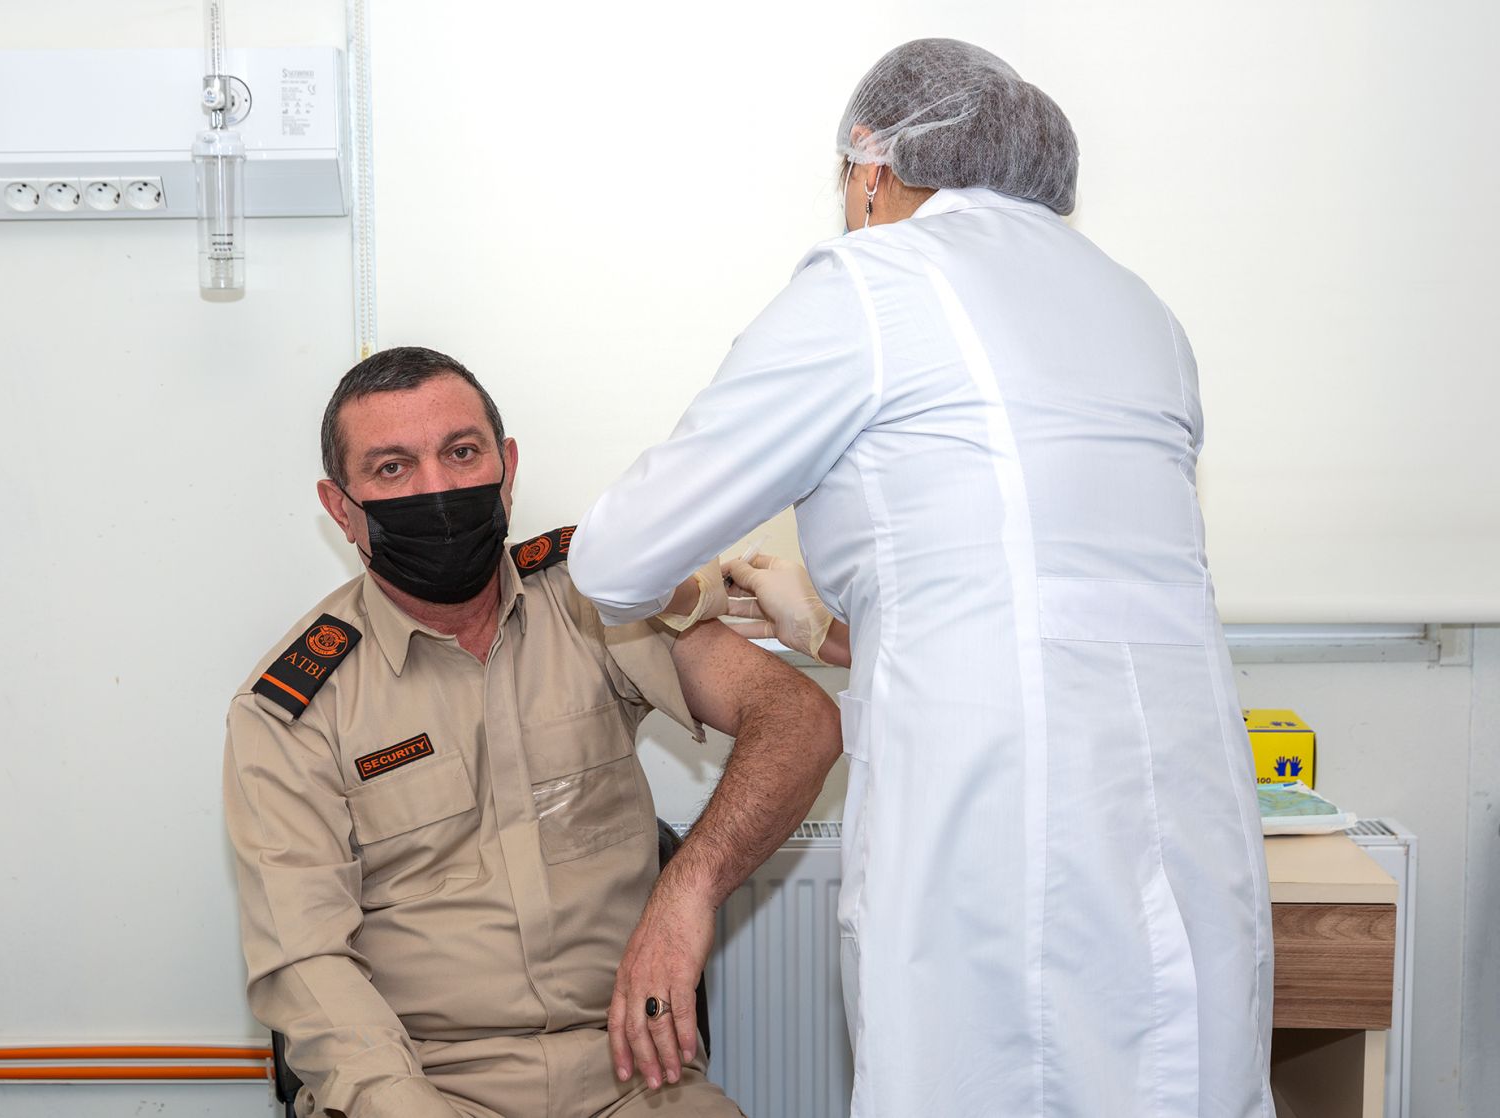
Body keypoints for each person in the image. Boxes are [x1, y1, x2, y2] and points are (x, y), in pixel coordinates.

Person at [568, 38, 1275, 1118]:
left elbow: (616, 559)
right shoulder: (1142, 313)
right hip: (1188, 801)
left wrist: (692, 588)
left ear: (871, 164)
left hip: (993, 808)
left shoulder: (874, 283)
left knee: (989, 1078)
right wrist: (831, 625)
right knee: (1179, 1072)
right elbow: (1042, 589)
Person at [222, 346, 841, 1118]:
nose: (437, 490)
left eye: (461, 452)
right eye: (392, 468)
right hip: (426, 1084)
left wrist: (689, 891)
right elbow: (306, 964)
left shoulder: (593, 602)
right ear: (341, 507)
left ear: (506, 468)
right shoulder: (292, 710)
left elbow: (797, 720)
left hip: (632, 1076)